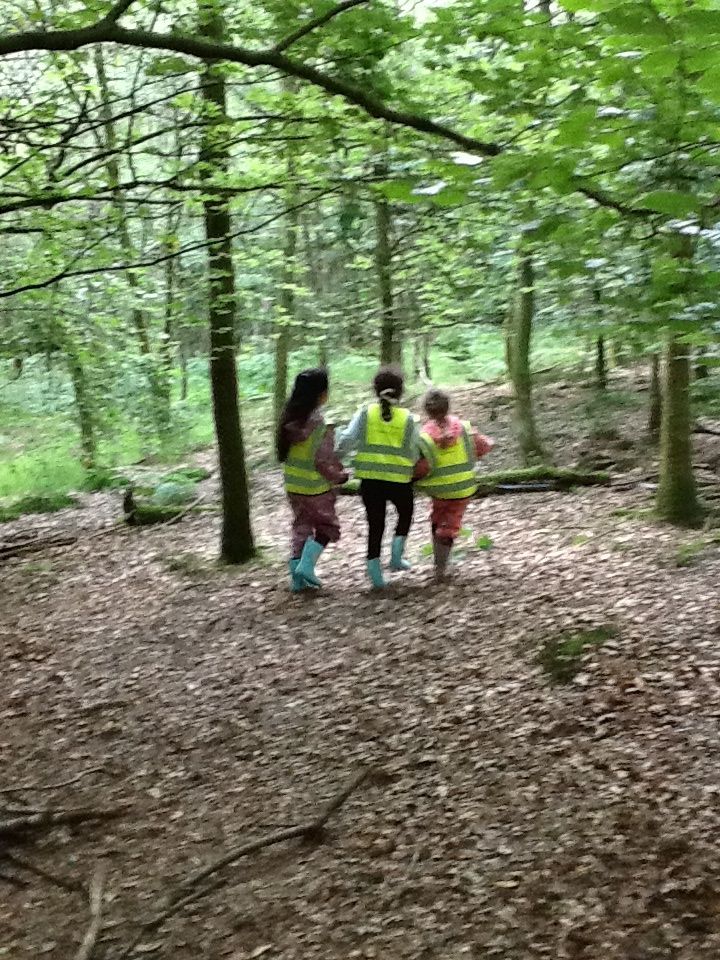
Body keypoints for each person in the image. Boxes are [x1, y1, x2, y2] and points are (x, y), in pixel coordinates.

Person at [336, 367, 424, 589]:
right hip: (399, 480)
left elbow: (347, 440)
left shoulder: (365, 413)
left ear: (375, 390)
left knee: (376, 525)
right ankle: (396, 556)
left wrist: (335, 458)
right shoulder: (408, 419)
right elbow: (415, 449)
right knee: (406, 514)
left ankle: (375, 574)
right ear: (401, 392)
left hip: (370, 480)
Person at [276, 368, 348, 593]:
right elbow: (322, 460)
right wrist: (339, 476)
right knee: (328, 527)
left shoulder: (288, 421)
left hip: (293, 486)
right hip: (316, 488)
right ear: (321, 394)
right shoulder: (319, 425)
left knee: (301, 527)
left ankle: (297, 579)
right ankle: (306, 566)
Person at [414, 388, 494, 581]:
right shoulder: (464, 429)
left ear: (427, 411)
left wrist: (412, 478)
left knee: (438, 520)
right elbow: (483, 447)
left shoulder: (424, 436)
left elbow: (423, 467)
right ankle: (441, 565)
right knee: (450, 523)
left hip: (439, 490)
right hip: (463, 488)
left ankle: (439, 566)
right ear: (448, 406)